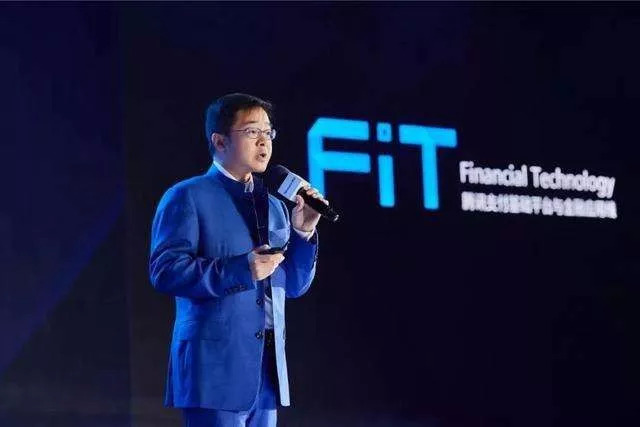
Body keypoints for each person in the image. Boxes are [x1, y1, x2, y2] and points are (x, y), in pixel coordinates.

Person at [149, 93, 326, 426]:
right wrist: (241, 269)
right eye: (252, 131)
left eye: (268, 132)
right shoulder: (187, 196)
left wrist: (303, 232)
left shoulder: (275, 205)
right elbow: (165, 271)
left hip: (266, 369)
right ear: (220, 141)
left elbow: (293, 285)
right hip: (214, 369)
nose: (264, 141)